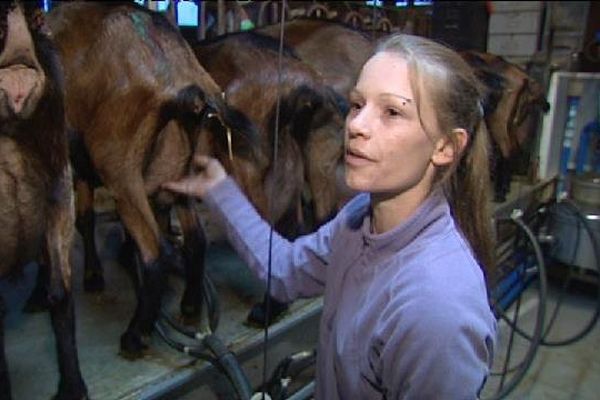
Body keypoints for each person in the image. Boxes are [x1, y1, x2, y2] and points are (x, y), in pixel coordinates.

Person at [163, 33, 497, 399]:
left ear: (445, 146)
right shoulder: (358, 218)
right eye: (357, 104)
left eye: (392, 112)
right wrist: (220, 190)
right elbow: (286, 271)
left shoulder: (437, 308)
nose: (355, 126)